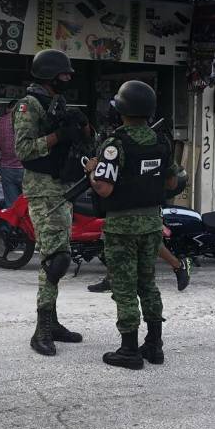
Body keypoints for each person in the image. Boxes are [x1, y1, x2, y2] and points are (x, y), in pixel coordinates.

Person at [89, 80, 179, 370]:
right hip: (152, 223)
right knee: (147, 284)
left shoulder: (115, 145)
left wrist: (92, 172)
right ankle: (154, 345)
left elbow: (104, 189)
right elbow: (172, 182)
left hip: (122, 228)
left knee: (125, 287)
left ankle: (129, 350)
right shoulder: (161, 142)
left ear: (122, 110)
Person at [14, 49, 87, 356]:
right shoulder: (29, 105)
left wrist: (81, 128)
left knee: (60, 256)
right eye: (63, 74)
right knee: (55, 259)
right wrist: (58, 136)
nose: (68, 78)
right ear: (49, 74)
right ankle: (41, 329)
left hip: (61, 188)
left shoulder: (57, 102)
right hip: (43, 191)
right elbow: (23, 149)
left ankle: (52, 322)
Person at [86, 245, 191, 293]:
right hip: (119, 212)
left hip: (144, 211)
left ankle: (179, 265)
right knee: (112, 240)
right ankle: (111, 279)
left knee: (151, 241)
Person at [0, 100, 24, 207]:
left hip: (7, 168)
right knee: (29, 204)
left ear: (7, 109)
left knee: (12, 205)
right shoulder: (27, 123)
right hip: (26, 167)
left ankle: (13, 219)